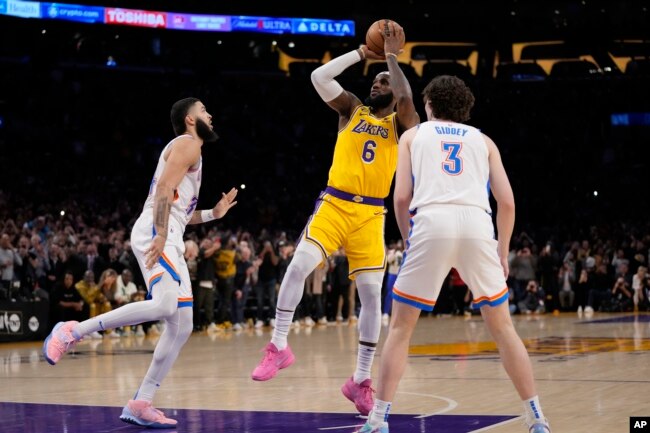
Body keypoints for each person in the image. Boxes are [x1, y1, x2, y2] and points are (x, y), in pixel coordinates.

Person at [356, 75, 551, 433]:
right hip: (478, 224)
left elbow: (400, 198)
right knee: (504, 328)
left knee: (400, 328)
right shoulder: (484, 141)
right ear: (464, 110)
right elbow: (507, 202)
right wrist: (502, 252)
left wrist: (409, 238)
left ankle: (378, 419)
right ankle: (537, 417)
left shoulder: (413, 135)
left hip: (432, 221)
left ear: (429, 105)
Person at [251, 20, 419, 417]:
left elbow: (409, 101)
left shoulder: (400, 125)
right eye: (375, 81)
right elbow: (317, 75)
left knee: (371, 300)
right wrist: (364, 53)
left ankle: (360, 380)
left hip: (370, 215)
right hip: (335, 205)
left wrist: (392, 61)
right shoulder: (351, 109)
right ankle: (278, 346)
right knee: (298, 267)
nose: (377, 85)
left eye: (384, 82)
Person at [42, 97, 238, 429]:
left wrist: (213, 214)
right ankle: (73, 330)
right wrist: (161, 233)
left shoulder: (192, 153)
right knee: (163, 305)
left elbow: (182, 214)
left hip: (169, 232)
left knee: (183, 324)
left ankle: (141, 402)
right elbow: (163, 189)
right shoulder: (189, 143)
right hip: (156, 230)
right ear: (190, 120)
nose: (210, 114)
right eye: (204, 110)